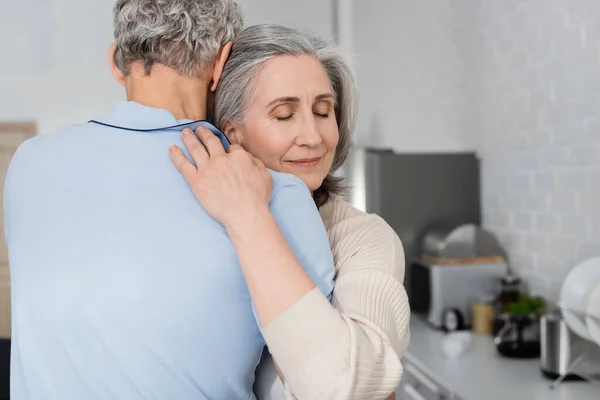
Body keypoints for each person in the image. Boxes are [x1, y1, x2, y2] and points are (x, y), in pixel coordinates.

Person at [3, 2, 335, 399]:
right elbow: (322, 380)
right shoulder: (276, 195)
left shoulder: (28, 164)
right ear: (222, 63)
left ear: (115, 62)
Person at [170, 24, 411, 400]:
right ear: (232, 133)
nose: (314, 137)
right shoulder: (193, 225)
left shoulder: (362, 238)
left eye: (323, 111)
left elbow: (350, 388)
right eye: (284, 115)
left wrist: (249, 215)